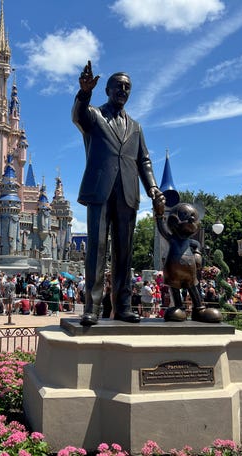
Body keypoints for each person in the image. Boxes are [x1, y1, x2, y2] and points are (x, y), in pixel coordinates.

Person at [72, 60, 165, 326]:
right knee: (97, 249)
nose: (123, 90)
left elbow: (143, 161)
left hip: (128, 193)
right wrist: (84, 92)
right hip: (99, 192)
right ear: (108, 90)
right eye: (119, 86)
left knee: (125, 251)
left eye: (128, 87)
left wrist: (153, 188)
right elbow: (77, 116)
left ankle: (123, 306)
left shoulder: (136, 127)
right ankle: (92, 306)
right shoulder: (94, 116)